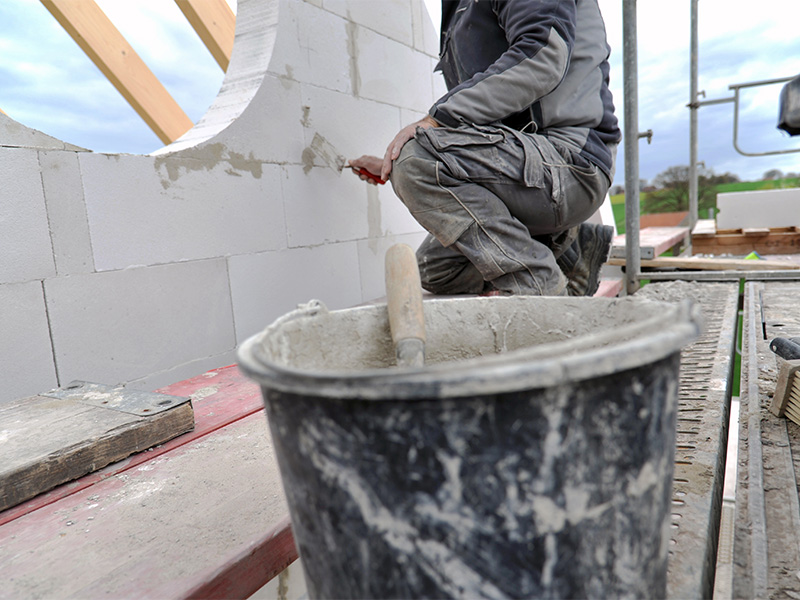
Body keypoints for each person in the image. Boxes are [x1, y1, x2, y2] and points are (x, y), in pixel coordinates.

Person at [350, 0, 621, 297]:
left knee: (416, 160)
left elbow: (542, 56)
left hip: (569, 161)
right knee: (435, 271)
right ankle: (569, 252)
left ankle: (535, 282)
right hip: (524, 168)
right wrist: (397, 160)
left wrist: (425, 143)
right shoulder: (458, 8)